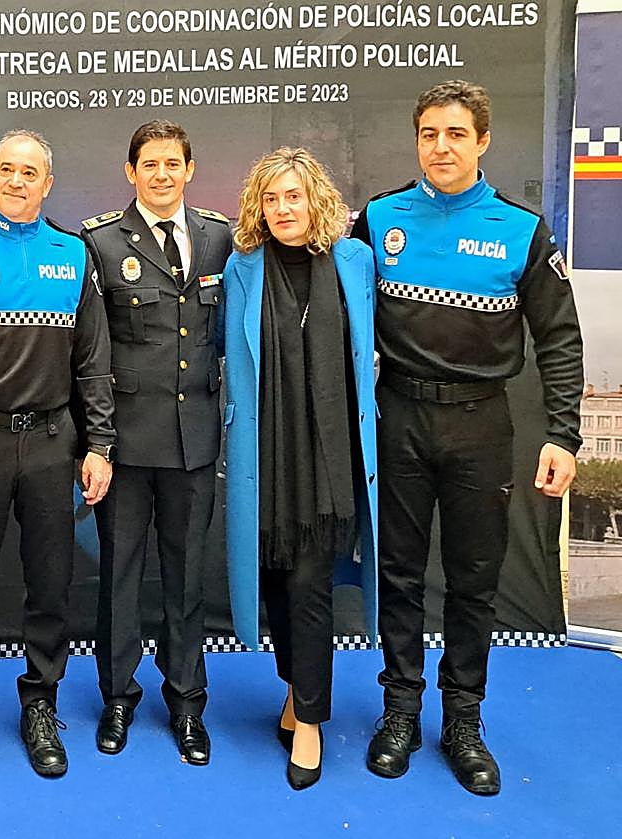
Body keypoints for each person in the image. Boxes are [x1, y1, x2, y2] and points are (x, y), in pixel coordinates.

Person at [352, 80, 583, 796]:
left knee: (473, 582)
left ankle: (463, 721)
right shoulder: (380, 218)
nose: (440, 147)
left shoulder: (522, 229)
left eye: (455, 134)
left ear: (482, 141)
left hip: (484, 423)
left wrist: (565, 434)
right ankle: (399, 712)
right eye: (428, 133)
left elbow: (560, 339)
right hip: (400, 419)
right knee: (396, 573)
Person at [0, 129, 115, 778]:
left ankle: (40, 702)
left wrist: (101, 445)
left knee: (50, 587)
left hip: (52, 446)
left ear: (48, 183)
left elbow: (93, 361)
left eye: (29, 171)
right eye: (6, 169)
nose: (16, 180)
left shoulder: (74, 253)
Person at [221, 147, 378, 790]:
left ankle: (310, 721)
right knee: (279, 586)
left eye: (295, 196)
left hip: (330, 461)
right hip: (265, 457)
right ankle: (294, 688)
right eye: (272, 199)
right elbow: (228, 359)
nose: (284, 209)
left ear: (317, 199)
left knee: (311, 585)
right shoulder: (242, 268)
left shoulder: (355, 261)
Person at [80, 119, 232, 764]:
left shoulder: (222, 239)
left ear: (189, 169)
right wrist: (99, 442)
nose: (162, 174)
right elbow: (91, 352)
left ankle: (186, 703)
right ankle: (117, 698)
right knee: (119, 577)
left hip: (194, 443)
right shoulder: (101, 243)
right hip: (124, 444)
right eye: (150, 164)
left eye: (174, 163)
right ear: (131, 172)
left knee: (186, 580)